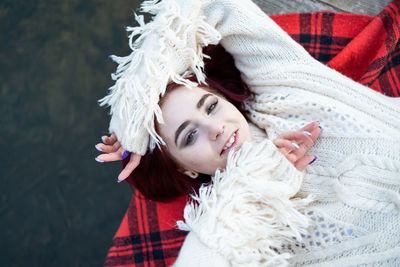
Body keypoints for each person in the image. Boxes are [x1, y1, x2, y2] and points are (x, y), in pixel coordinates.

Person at [97, 0, 400, 265]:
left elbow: (210, 5)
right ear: (184, 169)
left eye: (211, 107)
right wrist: (252, 182)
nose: (216, 129)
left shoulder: (278, 87)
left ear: (224, 97)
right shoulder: (233, 215)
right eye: (190, 136)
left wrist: (132, 110)